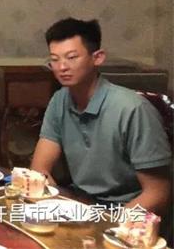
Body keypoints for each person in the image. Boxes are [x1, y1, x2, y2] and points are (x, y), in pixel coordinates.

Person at [30, 18, 171, 216]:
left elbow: (158, 193)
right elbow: (39, 169)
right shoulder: (59, 100)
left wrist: (106, 222)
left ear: (97, 58)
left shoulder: (132, 109)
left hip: (126, 210)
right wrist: (51, 203)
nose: (61, 67)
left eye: (72, 57)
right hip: (81, 203)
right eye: (54, 59)